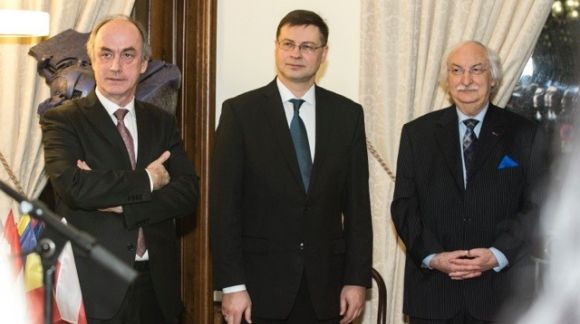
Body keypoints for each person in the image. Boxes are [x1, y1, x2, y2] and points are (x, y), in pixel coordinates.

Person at [210, 9, 373, 324]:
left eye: (307, 47)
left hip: (326, 288)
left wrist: (356, 279)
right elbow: (223, 208)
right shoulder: (240, 113)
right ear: (276, 48)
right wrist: (232, 285)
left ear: (323, 54)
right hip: (258, 289)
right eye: (288, 44)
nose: (296, 54)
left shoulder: (348, 115)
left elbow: (358, 207)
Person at [40, 15, 198, 324]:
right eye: (106, 54)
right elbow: (74, 188)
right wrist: (149, 180)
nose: (116, 66)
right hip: (93, 291)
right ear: (92, 60)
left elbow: (188, 193)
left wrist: (123, 205)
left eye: (128, 55)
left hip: (157, 288)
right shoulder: (63, 121)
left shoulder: (161, 121)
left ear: (143, 64)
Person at [391, 40, 547, 324]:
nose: (466, 80)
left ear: (493, 77)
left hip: (500, 297)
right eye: (456, 70)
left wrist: (497, 254)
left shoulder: (526, 134)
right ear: (447, 80)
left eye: (476, 70)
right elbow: (404, 206)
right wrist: (432, 256)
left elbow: (537, 207)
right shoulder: (417, 134)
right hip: (433, 295)